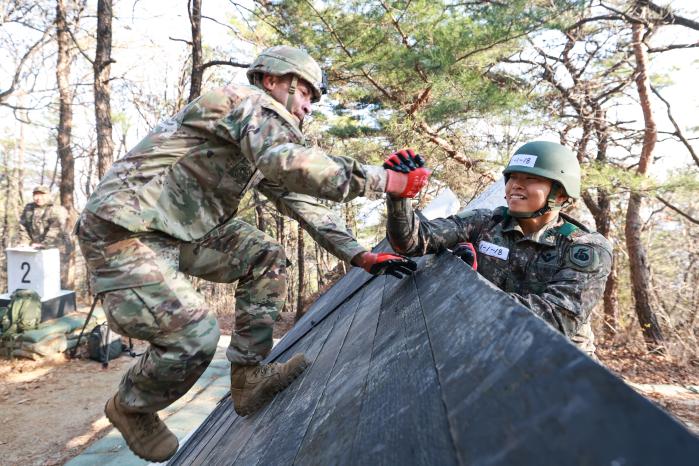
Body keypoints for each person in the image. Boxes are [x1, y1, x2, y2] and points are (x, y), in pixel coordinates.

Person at [75, 45, 430, 462]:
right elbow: (291, 164)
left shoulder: (260, 142)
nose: (308, 109)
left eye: (314, 101)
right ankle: (132, 404)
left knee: (265, 255)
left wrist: (359, 255)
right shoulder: (244, 103)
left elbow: (302, 201)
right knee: (193, 335)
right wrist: (383, 180)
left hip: (183, 230)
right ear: (274, 81)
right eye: (306, 95)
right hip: (125, 228)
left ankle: (248, 377)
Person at [385, 141, 612, 357]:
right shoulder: (485, 222)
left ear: (560, 194)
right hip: (492, 346)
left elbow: (557, 318)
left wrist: (464, 294)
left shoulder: (584, 248)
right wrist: (399, 197)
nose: (516, 185)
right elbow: (412, 241)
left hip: (560, 363)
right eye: (512, 177)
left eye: (531, 178)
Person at [18, 185, 68, 250]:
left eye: (42, 195)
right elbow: (23, 227)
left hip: (56, 247)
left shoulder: (57, 209)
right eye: (36, 195)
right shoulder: (29, 208)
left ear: (48, 195)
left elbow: (55, 230)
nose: (38, 198)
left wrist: (45, 244)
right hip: (35, 247)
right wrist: (24, 242)